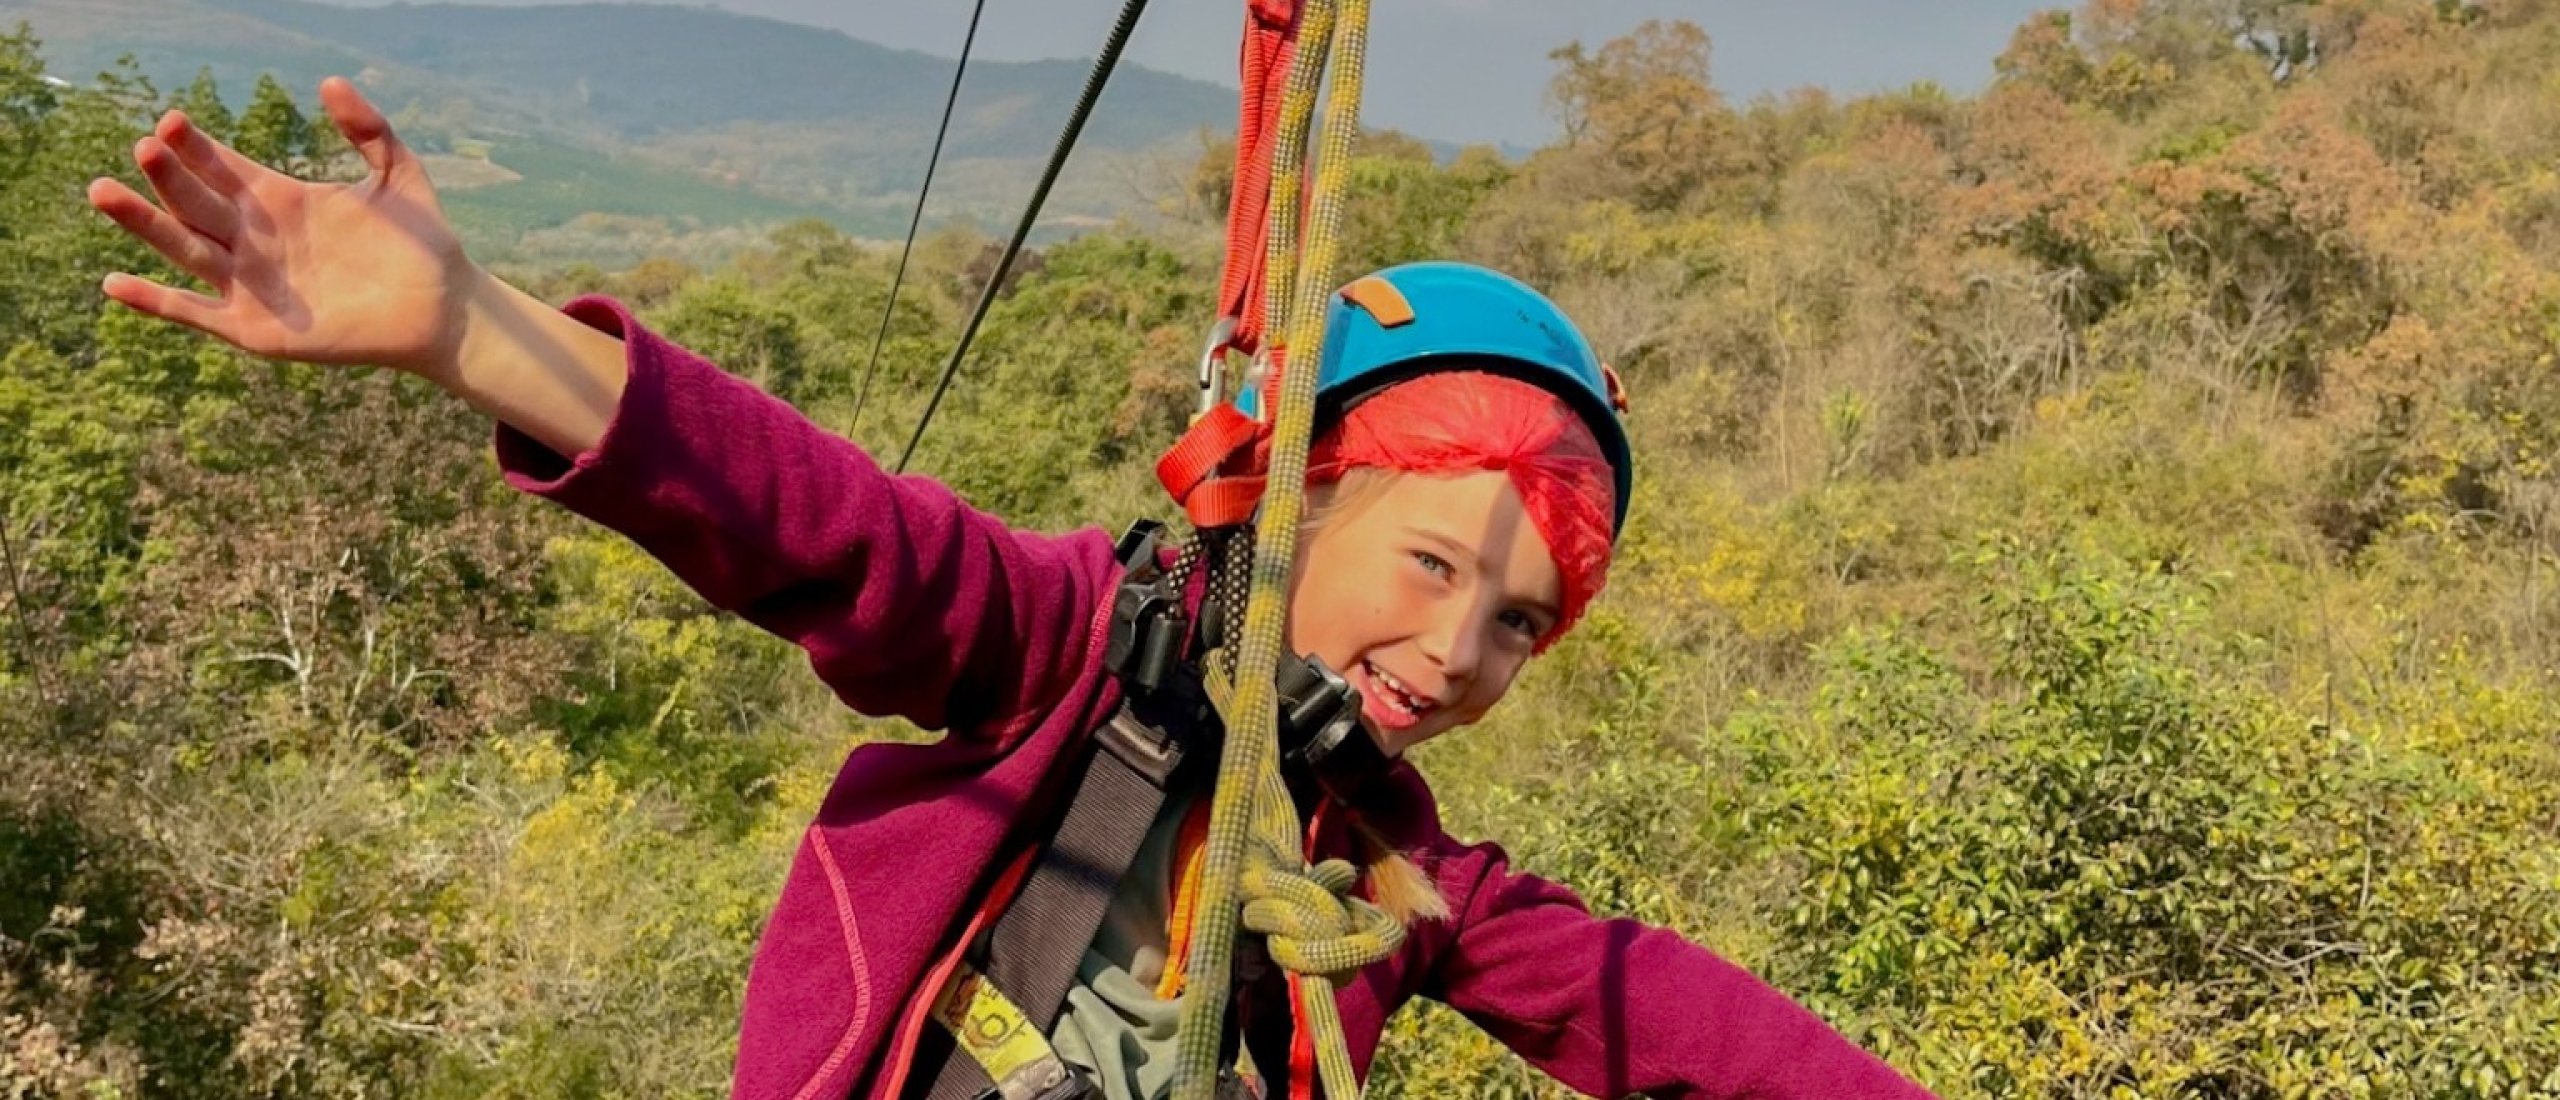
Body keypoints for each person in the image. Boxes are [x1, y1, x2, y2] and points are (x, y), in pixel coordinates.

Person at [88, 77, 1938, 1100]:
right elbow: (832, 533)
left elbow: (1649, 1010)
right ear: (1292, 502)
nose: (1456, 654)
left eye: (1518, 622)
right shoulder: (1080, 648)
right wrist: (478, 334)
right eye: (1436, 564)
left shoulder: (1387, 866)